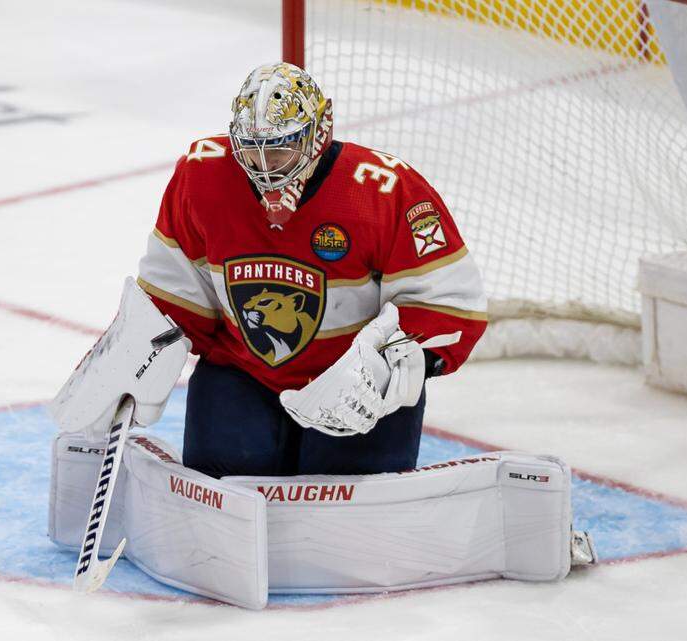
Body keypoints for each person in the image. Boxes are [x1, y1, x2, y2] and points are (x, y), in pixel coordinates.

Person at [135, 62, 487, 478]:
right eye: (251, 146)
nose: (264, 164)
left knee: (347, 512)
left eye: (281, 146)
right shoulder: (202, 175)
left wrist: (387, 365)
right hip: (244, 371)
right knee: (223, 483)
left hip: (354, 383)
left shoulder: (386, 191)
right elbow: (175, 295)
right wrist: (135, 355)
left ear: (319, 132)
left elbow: (451, 307)